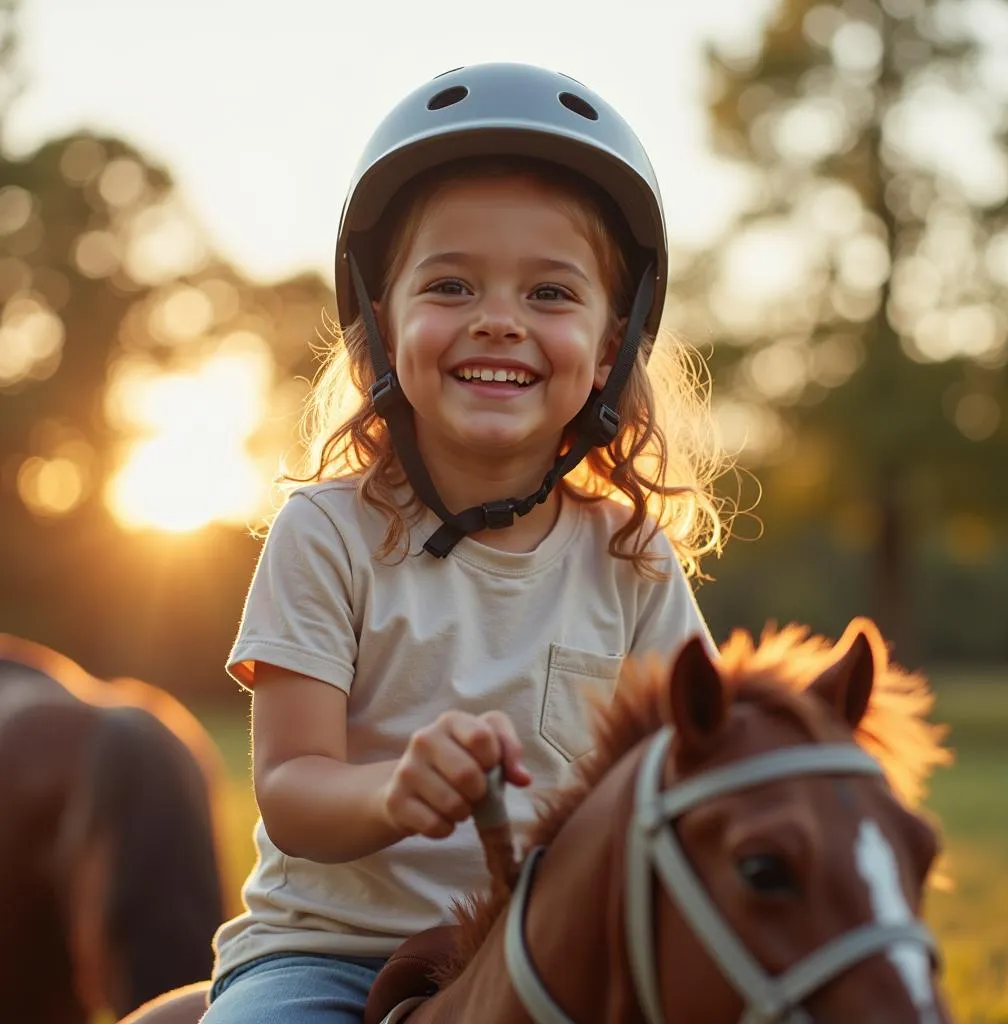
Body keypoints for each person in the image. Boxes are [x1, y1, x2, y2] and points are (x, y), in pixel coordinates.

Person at [202, 62, 727, 1024]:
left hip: (556, 949)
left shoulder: (635, 561)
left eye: (551, 294)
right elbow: (290, 788)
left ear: (612, 348)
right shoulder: (325, 533)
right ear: (379, 322)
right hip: (329, 956)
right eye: (450, 284)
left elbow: (702, 764)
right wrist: (395, 791)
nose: (499, 320)